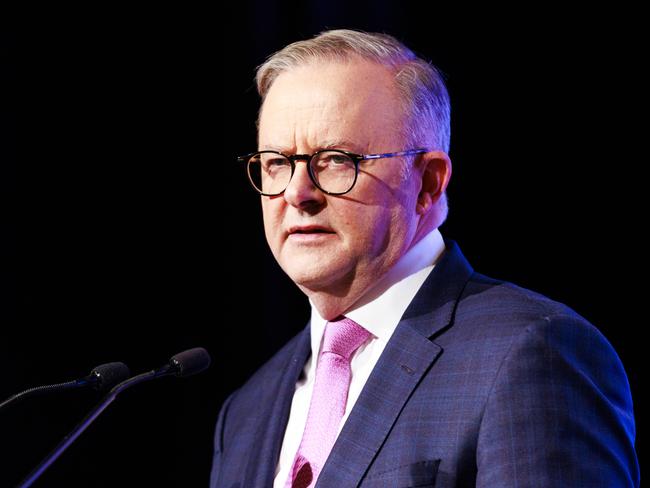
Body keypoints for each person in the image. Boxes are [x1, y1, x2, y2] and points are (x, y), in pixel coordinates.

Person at [210, 29, 639, 487]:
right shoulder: (245, 412)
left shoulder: (533, 354)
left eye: (335, 159)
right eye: (277, 162)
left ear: (429, 182)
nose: (297, 193)